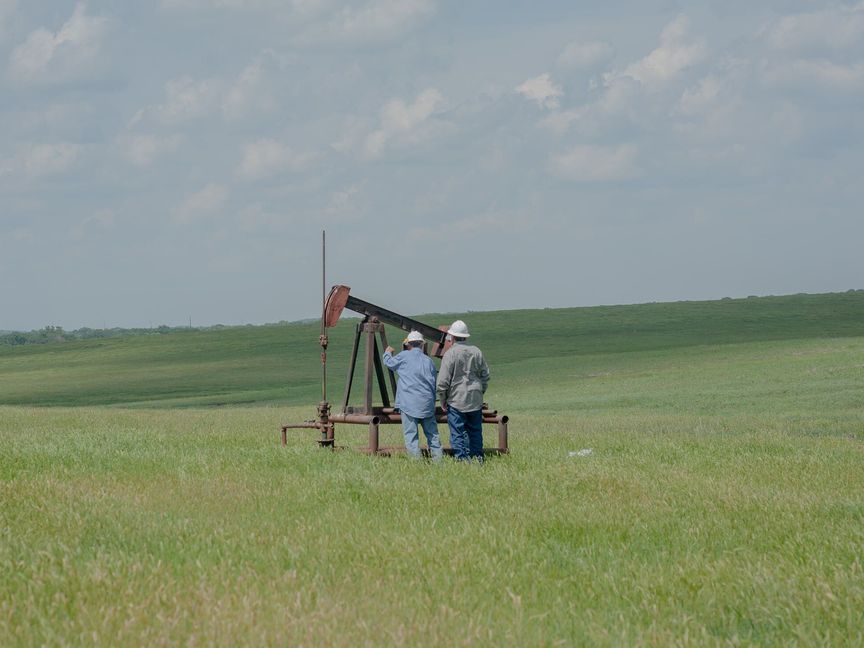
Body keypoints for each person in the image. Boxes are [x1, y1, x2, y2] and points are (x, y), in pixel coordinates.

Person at [383, 330, 443, 460]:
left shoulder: (404, 356)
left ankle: (416, 462)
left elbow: (389, 364)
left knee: (411, 435)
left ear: (408, 344)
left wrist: (388, 353)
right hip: (427, 403)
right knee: (433, 435)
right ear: (422, 344)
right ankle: (438, 461)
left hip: (408, 403)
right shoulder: (429, 361)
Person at [436, 320, 490, 462]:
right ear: (466, 336)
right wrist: (480, 392)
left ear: (452, 337)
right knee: (475, 432)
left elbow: (442, 382)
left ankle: (462, 461)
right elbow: (485, 376)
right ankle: (478, 459)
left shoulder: (450, 354)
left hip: (456, 400)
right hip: (475, 399)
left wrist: (443, 399)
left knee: (458, 433)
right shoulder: (477, 351)